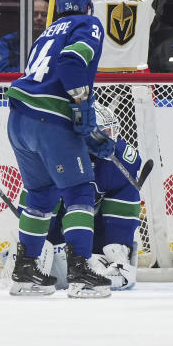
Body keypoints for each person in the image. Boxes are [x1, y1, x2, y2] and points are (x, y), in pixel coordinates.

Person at [4, 0, 113, 298]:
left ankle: (25, 272)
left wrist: (86, 128)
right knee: (79, 190)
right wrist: (81, 105)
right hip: (48, 118)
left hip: (19, 119)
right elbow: (70, 62)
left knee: (40, 194)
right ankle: (81, 272)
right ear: (89, 6)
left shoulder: (46, 33)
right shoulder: (88, 23)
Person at [42, 102, 142, 291]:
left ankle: (115, 252)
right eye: (103, 133)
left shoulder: (120, 158)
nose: (110, 140)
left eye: (112, 132)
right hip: (61, 222)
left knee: (127, 191)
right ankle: (37, 255)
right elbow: (40, 203)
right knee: (49, 203)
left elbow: (123, 205)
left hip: (95, 223)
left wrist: (118, 247)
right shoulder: (56, 155)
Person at [0, 0, 49, 72]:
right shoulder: (8, 41)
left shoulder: (56, 41)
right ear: (25, 16)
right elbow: (2, 71)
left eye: (44, 15)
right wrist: (36, 72)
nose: (39, 18)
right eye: (34, 14)